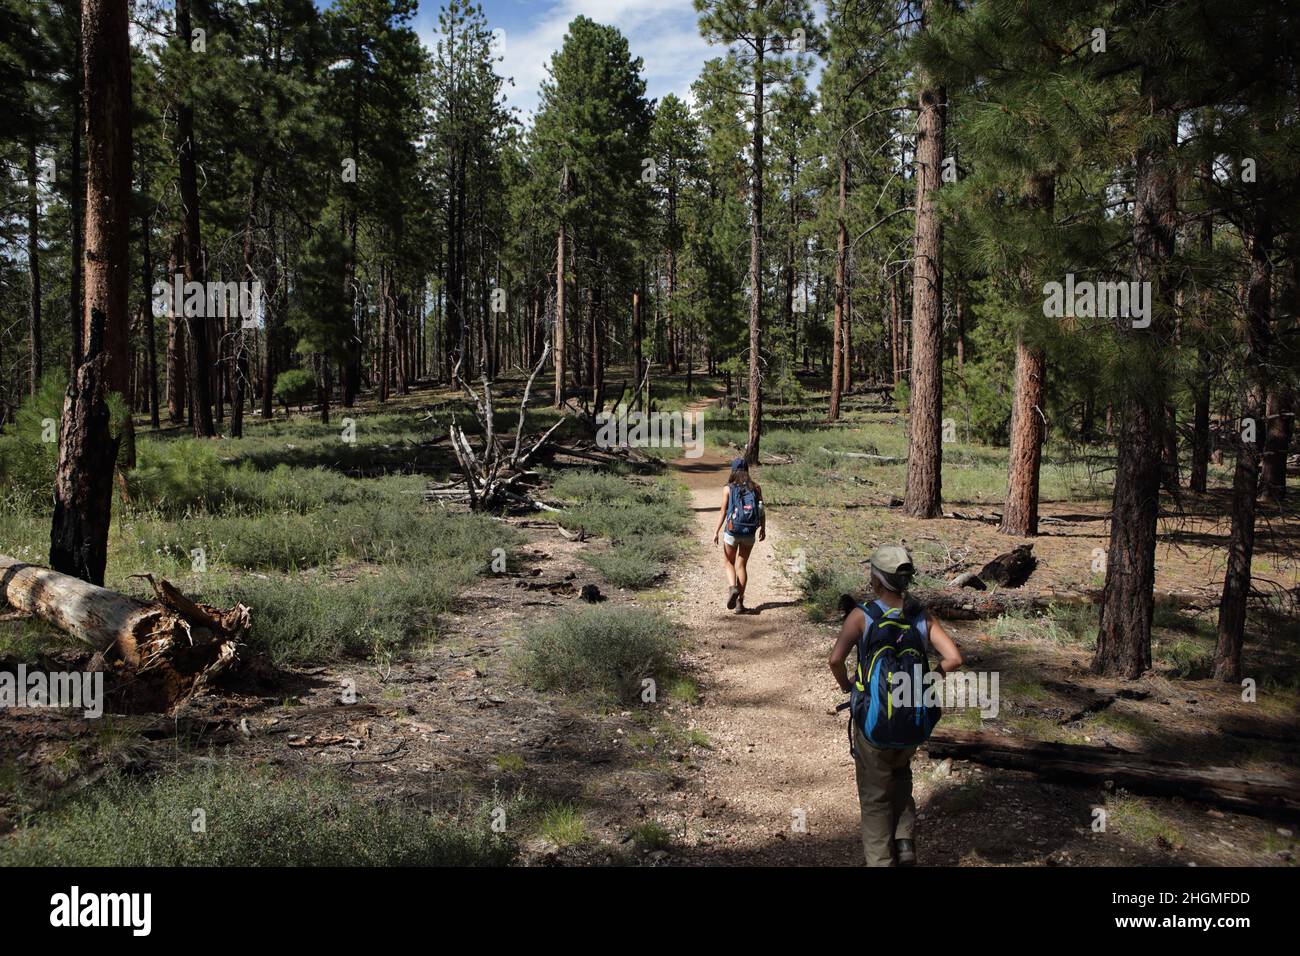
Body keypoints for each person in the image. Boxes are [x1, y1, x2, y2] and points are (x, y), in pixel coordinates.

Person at [827, 545, 963, 866]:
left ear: (876, 580)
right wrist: (930, 679)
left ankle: (881, 861)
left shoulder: (862, 616)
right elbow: (954, 659)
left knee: (875, 798)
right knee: (901, 776)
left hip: (873, 724)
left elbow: (834, 660)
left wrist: (850, 687)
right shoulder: (921, 616)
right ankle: (904, 842)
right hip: (912, 722)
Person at [712, 458, 765, 612]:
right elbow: (761, 510)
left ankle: (732, 588)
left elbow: (723, 511)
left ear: (733, 471)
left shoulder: (728, 488)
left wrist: (716, 531)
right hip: (749, 532)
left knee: (729, 562)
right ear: (747, 470)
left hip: (732, 531)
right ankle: (740, 603)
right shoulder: (756, 488)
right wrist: (763, 528)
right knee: (741, 565)